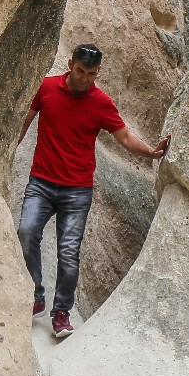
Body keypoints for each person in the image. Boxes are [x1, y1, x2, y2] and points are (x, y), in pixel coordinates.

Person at [16, 42, 170, 340]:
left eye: (92, 74)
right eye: (81, 71)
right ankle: (36, 293)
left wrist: (151, 153)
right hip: (41, 182)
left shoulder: (101, 103)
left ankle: (61, 313)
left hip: (77, 190)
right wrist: (7, 151)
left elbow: (124, 137)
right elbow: (24, 121)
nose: (86, 78)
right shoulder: (46, 88)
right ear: (70, 64)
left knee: (69, 252)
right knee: (26, 231)